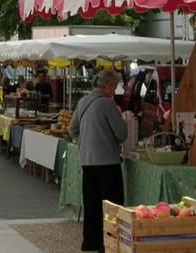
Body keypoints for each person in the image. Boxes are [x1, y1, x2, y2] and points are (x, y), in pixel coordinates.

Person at [69, 69, 127, 253]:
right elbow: (122, 133)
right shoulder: (107, 105)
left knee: (92, 203)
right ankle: (107, 243)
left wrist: (88, 141)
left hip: (87, 160)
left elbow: (73, 129)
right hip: (108, 162)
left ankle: (90, 242)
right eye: (115, 87)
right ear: (107, 85)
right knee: (111, 204)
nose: (114, 91)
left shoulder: (83, 101)